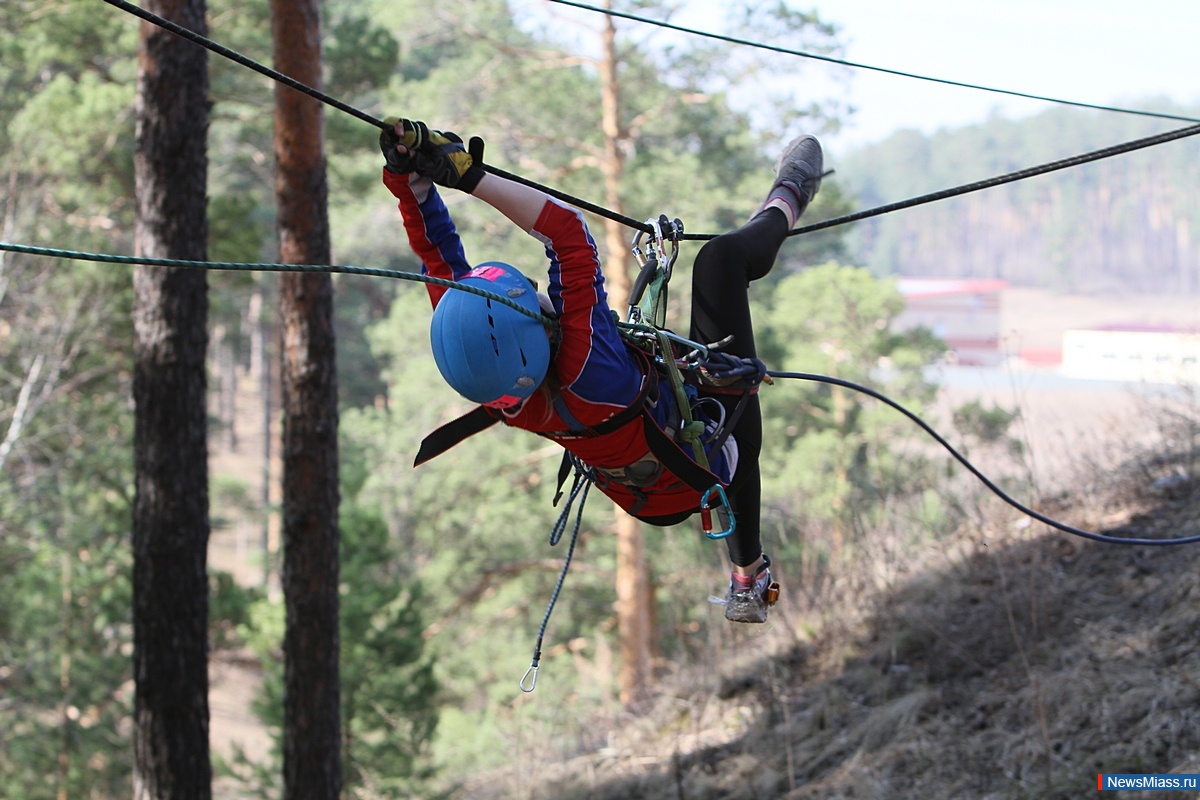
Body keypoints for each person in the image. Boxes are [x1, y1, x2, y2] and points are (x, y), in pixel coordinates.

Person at [379, 119, 823, 623]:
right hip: (706, 461)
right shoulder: (586, 365)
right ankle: (791, 192)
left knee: (688, 386)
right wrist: (470, 177)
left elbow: (439, 260)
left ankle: (746, 579)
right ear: (538, 329)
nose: (536, 292)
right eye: (528, 292)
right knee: (720, 262)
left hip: (646, 489)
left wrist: (408, 178)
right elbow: (567, 236)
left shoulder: (494, 380)